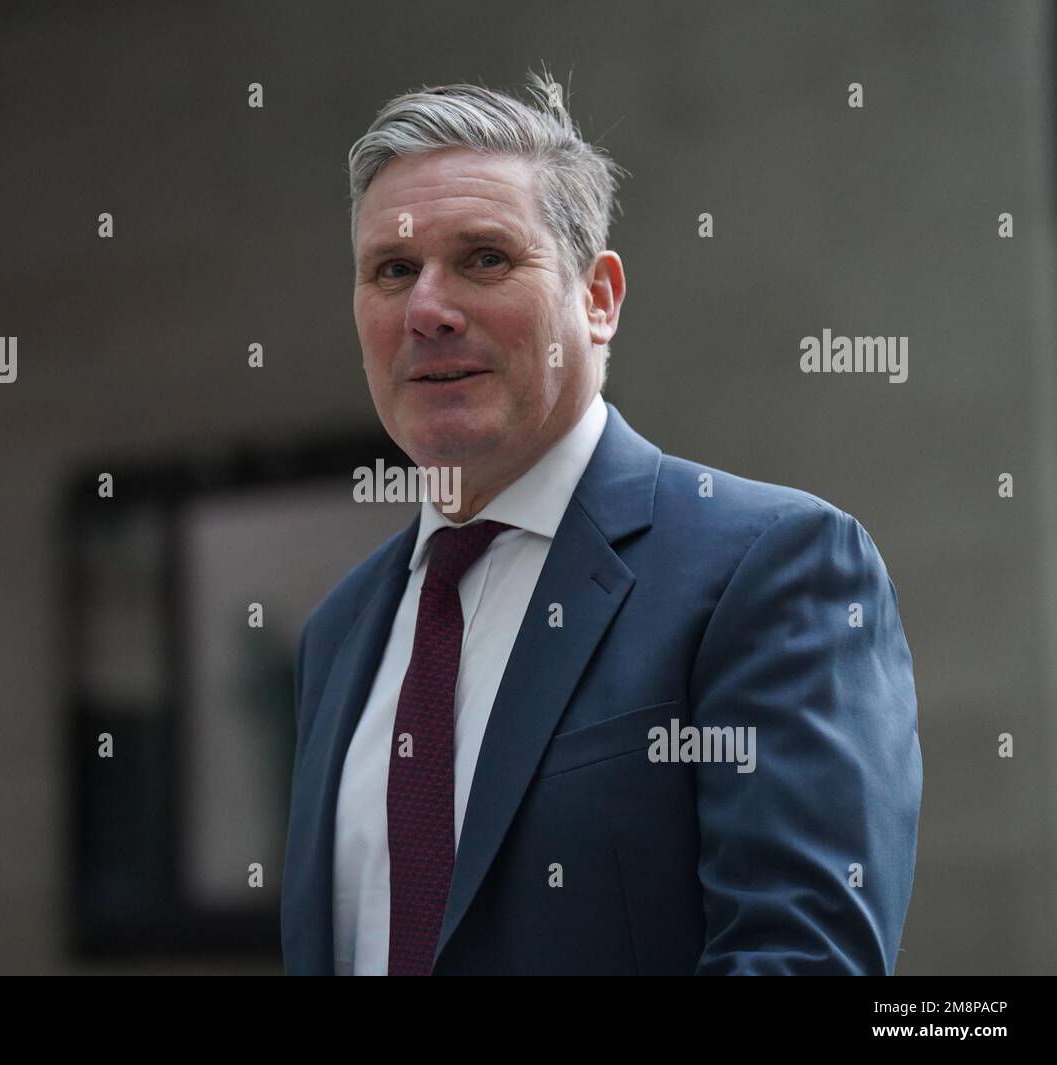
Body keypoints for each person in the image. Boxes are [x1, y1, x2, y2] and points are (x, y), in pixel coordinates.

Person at [280, 68, 922, 975]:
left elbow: (801, 960)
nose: (428, 309)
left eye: (484, 258)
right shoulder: (339, 633)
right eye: (394, 270)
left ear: (599, 298)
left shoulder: (772, 569)